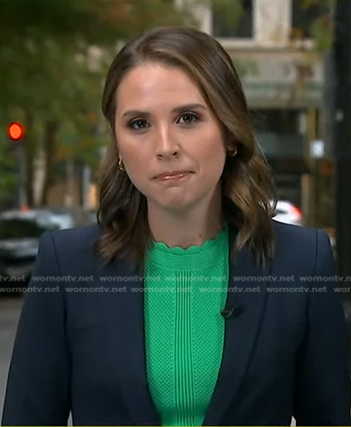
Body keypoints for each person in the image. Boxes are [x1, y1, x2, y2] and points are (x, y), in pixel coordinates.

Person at [2, 26, 350, 427]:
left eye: (188, 118)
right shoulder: (66, 266)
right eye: (139, 124)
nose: (165, 146)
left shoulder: (304, 263)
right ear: (117, 146)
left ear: (230, 132)